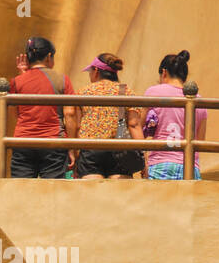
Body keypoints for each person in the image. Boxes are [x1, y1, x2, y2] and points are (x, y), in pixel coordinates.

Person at [8, 36, 76, 178]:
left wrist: (23, 75)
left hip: (23, 141)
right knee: (51, 191)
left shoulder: (16, 82)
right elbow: (69, 114)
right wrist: (71, 147)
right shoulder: (62, 79)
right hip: (53, 142)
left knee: (21, 189)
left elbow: (16, 114)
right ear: (49, 56)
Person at [73, 53, 144, 178]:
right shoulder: (127, 92)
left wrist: (75, 153)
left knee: (91, 192)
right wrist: (144, 157)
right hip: (120, 150)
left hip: (90, 149)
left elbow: (78, 126)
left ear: (96, 71)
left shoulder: (83, 92)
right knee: (119, 194)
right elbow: (134, 125)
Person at [144, 50, 207, 179]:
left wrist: (143, 161)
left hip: (161, 163)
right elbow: (200, 141)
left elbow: (137, 126)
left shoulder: (153, 92)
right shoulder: (199, 100)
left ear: (164, 72)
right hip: (190, 166)